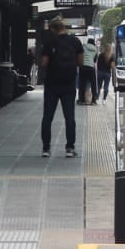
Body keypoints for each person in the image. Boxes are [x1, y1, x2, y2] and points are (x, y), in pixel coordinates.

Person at [39, 18, 84, 156]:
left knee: (47, 117)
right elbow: (80, 62)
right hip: (69, 85)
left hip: (52, 85)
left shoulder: (49, 42)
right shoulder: (75, 41)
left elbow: (44, 63)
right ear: (64, 27)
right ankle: (70, 148)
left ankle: (46, 148)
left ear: (53, 29)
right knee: (69, 117)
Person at [78, 34, 100, 104]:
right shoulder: (96, 49)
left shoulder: (83, 46)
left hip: (83, 67)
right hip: (91, 67)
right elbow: (95, 60)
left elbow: (80, 55)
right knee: (93, 84)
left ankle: (81, 100)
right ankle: (94, 100)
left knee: (82, 84)